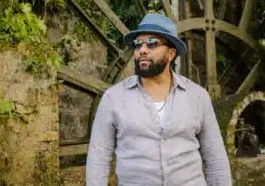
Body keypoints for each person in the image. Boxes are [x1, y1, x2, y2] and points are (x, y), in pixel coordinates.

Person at [86, 13, 232, 186]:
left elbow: (215, 157)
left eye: (152, 43)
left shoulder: (197, 97)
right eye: (138, 44)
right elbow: (98, 158)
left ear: (171, 54)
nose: (143, 50)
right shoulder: (113, 98)